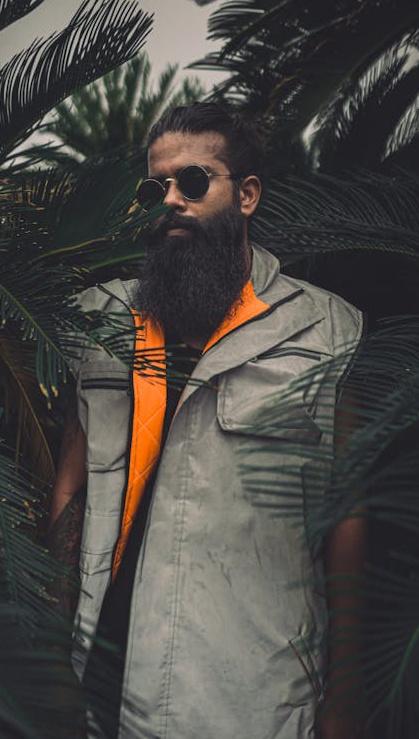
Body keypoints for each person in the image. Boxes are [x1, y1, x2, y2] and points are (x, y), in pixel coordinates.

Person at [47, 102, 367, 739]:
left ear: (246, 194)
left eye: (193, 181)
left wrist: (349, 696)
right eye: (155, 186)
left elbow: (349, 517)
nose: (171, 200)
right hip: (96, 694)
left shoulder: (328, 330)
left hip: (247, 696)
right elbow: (67, 488)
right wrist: (48, 655)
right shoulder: (95, 321)